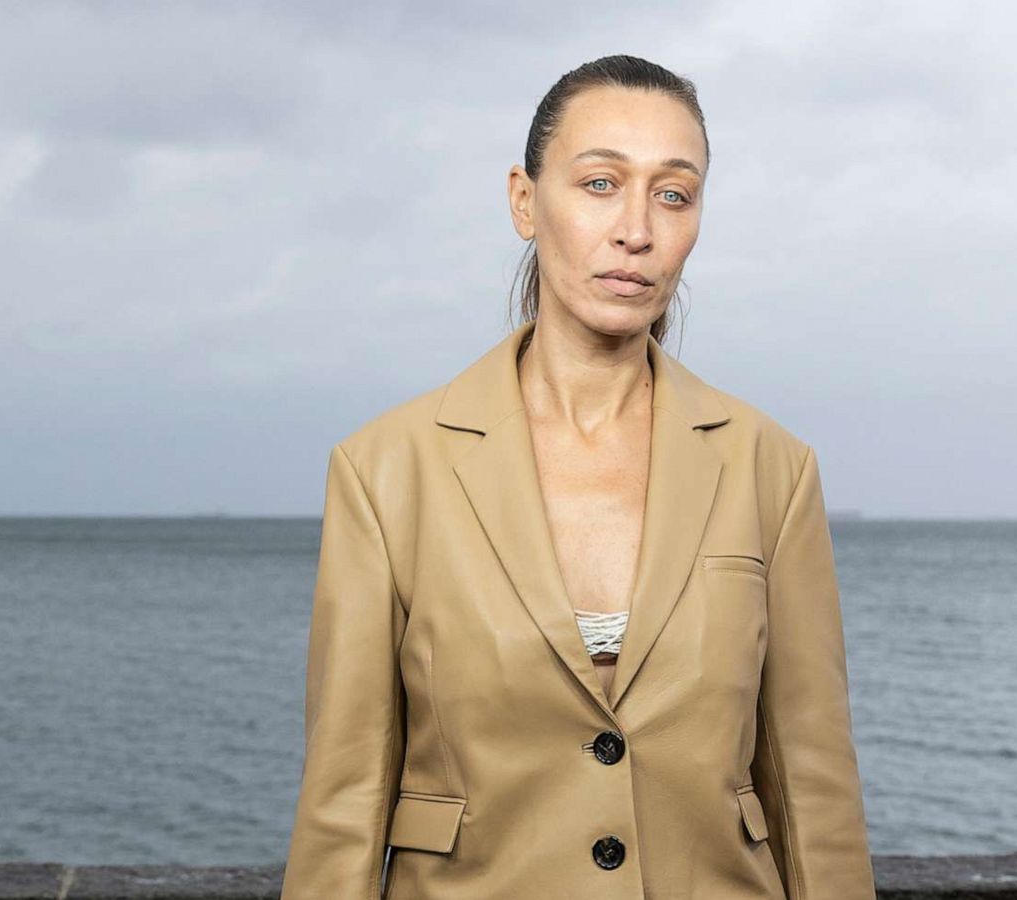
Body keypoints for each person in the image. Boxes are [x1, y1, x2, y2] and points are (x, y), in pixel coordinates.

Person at [280, 54, 875, 899]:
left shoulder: (768, 467)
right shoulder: (387, 471)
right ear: (525, 201)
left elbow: (814, 790)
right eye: (600, 184)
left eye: (673, 193)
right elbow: (345, 804)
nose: (638, 228)